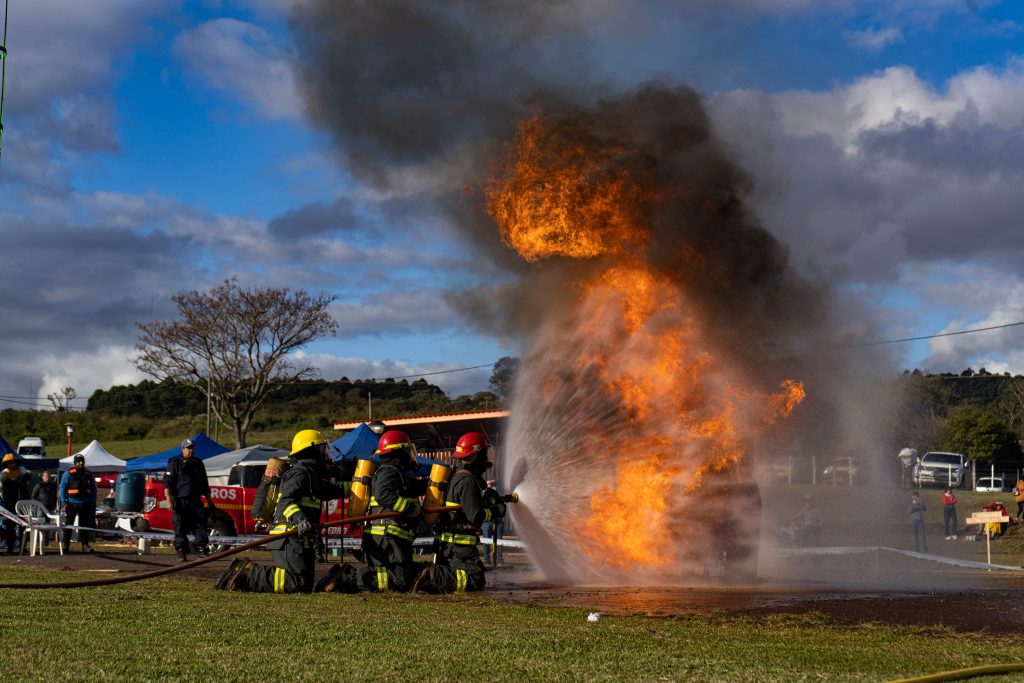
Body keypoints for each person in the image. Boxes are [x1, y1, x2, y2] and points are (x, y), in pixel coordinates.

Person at [216, 429, 346, 593]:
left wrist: (361, 480)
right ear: (312, 450)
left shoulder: (312, 476)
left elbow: (337, 490)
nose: (325, 454)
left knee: (303, 585)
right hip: (288, 537)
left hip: (299, 537)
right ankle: (247, 574)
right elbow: (286, 501)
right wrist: (300, 519)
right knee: (295, 584)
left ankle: (249, 573)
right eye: (322, 449)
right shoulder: (299, 473)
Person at [317, 429, 427, 593]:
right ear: (398, 452)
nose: (410, 455)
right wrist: (411, 509)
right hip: (386, 536)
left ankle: (347, 577)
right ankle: (346, 577)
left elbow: (409, 487)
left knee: (391, 576)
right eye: (407, 451)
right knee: (398, 580)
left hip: (389, 537)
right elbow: (384, 495)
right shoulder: (388, 471)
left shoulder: (396, 473)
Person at [412, 432, 508, 594]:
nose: (486, 460)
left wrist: (486, 500)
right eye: (484, 454)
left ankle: (430, 576)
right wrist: (495, 510)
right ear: (477, 456)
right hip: (459, 547)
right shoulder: (467, 481)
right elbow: (475, 517)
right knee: (475, 579)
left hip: (448, 545)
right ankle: (433, 575)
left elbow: (463, 507)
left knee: (461, 575)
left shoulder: (456, 477)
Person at [164, 437, 215, 562]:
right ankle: (181, 552)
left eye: (192, 448)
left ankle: (202, 550)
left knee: (199, 525)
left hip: (195, 501)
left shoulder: (198, 463)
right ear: (182, 449)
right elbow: (167, 484)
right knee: (180, 526)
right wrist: (168, 500)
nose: (190, 451)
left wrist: (209, 501)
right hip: (180, 501)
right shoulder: (174, 463)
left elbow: (204, 484)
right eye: (188, 448)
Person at [59, 454, 97, 553]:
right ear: (75, 463)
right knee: (68, 525)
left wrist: (93, 502)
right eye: (79, 461)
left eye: (82, 461)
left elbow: (93, 488)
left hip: (85, 503)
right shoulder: (69, 473)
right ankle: (65, 545)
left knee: (84, 526)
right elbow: (62, 487)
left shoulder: (88, 473)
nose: (81, 463)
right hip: (71, 503)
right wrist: (64, 502)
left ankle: (85, 545)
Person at [0, 453, 30, 554]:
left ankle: (23, 547)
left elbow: (27, 482)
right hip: (9, 504)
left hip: (22, 503)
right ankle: (10, 548)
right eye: (9, 463)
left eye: (13, 462)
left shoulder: (22, 471)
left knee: (23, 525)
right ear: (6, 464)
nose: (12, 464)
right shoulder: (3, 474)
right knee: (9, 526)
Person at [480, 478, 505, 565]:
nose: (491, 487)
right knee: (486, 540)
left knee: (499, 540)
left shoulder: (499, 492)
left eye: (492, 485)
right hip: (487, 521)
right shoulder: (483, 493)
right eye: (489, 485)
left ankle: (499, 559)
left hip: (498, 521)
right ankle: (487, 559)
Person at [31, 470, 58, 546]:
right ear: (42, 477)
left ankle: (46, 543)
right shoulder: (38, 485)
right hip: (40, 509)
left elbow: (55, 497)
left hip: (50, 508)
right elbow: (33, 497)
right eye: (45, 476)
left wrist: (54, 505)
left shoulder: (53, 486)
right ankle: (39, 542)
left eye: (48, 476)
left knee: (47, 526)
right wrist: (37, 505)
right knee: (40, 526)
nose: (47, 478)